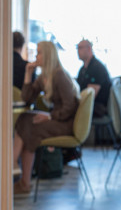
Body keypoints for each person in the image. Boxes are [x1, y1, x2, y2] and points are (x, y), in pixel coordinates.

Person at [13, 41, 80, 194]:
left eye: (39, 53)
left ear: (48, 55)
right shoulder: (44, 77)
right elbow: (27, 99)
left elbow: (70, 107)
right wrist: (28, 74)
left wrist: (49, 116)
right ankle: (18, 173)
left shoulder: (59, 75)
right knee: (24, 119)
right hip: (57, 119)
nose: (36, 56)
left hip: (65, 123)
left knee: (29, 126)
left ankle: (17, 171)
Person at [76, 39, 112, 118]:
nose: (77, 51)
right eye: (77, 48)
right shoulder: (82, 69)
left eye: (80, 48)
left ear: (89, 48)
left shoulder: (97, 68)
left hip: (97, 107)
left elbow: (90, 97)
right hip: (86, 104)